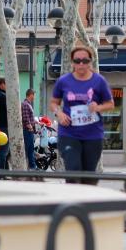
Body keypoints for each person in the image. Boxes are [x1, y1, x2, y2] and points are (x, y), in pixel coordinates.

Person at [50, 46, 114, 185]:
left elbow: (110, 104)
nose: (81, 64)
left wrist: (98, 107)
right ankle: (72, 204)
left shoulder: (99, 81)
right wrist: (59, 113)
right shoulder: (63, 81)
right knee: (73, 170)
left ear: (90, 62)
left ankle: (87, 204)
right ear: (72, 62)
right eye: (77, 61)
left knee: (89, 176)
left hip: (92, 135)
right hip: (69, 133)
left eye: (84, 61)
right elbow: (54, 103)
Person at [22, 89, 37, 170]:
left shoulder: (28, 104)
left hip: (29, 131)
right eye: (34, 95)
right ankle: (31, 166)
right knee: (28, 149)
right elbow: (25, 118)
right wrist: (30, 127)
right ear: (30, 94)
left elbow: (29, 118)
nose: (34, 97)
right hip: (27, 131)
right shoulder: (25, 104)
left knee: (30, 150)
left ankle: (32, 166)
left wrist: (37, 122)